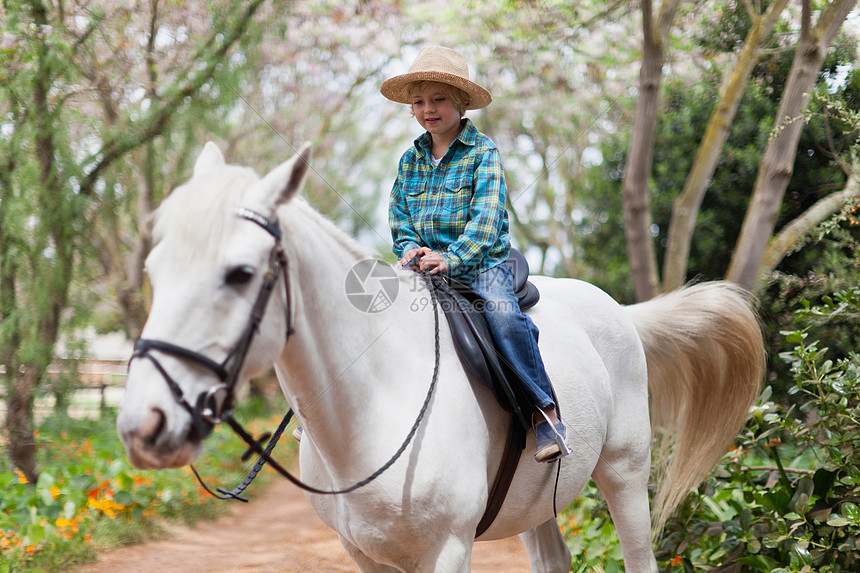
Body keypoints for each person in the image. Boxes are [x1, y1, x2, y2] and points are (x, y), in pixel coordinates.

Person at [381, 45, 570, 463]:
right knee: (376, 302)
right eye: (418, 102)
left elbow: (485, 223)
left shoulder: (482, 154)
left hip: (481, 263)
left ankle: (544, 412)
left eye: (438, 99)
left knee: (502, 313)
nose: (428, 109)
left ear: (461, 102)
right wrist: (410, 248)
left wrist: (451, 259)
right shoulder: (410, 161)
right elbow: (399, 215)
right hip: (423, 262)